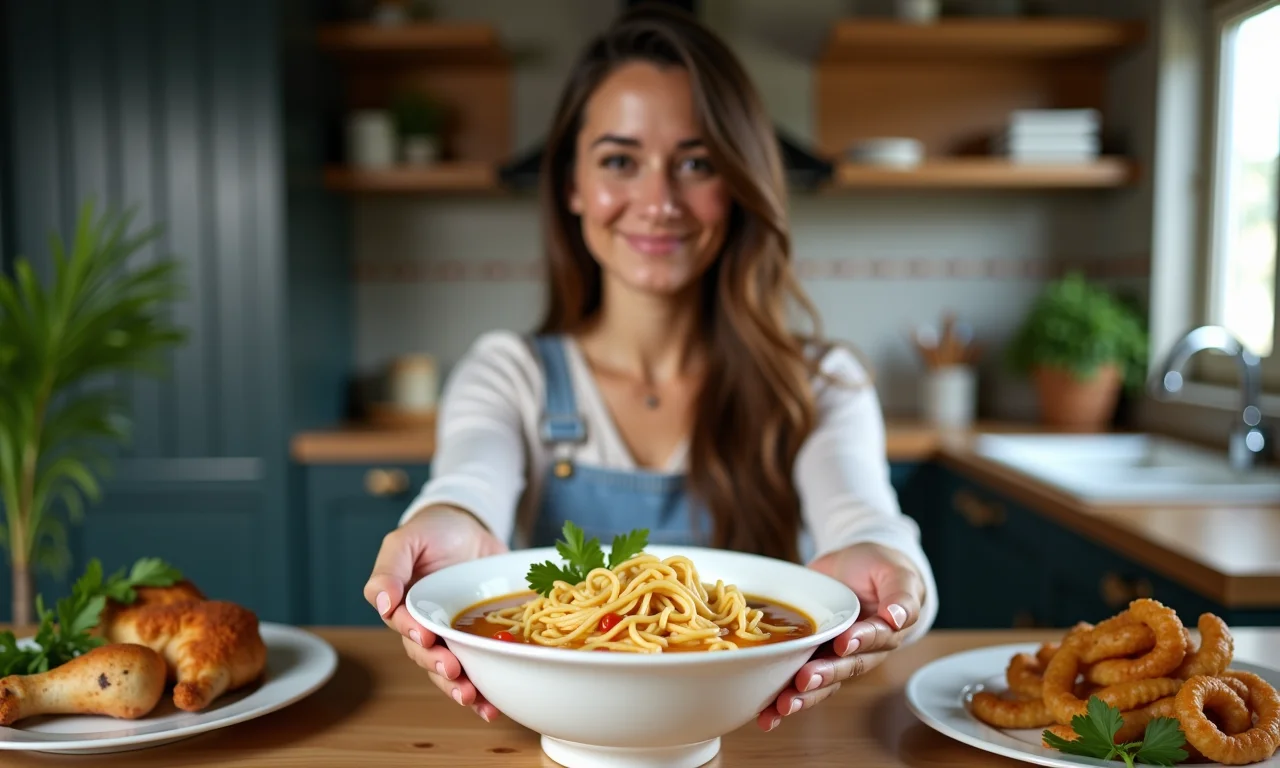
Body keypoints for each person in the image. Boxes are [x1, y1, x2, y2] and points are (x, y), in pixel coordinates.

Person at [364, 3, 937, 733]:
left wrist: (884, 570)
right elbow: (469, 483)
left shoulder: (822, 381)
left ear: (738, 184)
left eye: (696, 163)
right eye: (618, 160)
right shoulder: (507, 373)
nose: (659, 201)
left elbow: (864, 518)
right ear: (572, 184)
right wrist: (446, 522)